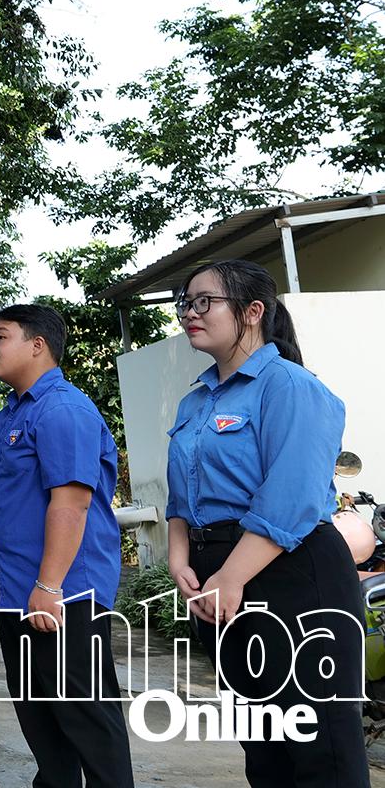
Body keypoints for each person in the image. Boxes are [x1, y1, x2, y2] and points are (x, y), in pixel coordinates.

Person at [165, 260, 368, 786]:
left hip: (291, 571)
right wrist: (179, 556)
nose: (190, 313)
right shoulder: (195, 400)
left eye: (204, 301)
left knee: (318, 738)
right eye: (186, 303)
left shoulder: (291, 387)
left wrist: (230, 576)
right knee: (260, 735)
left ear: (252, 311)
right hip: (215, 577)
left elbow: (292, 496)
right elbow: (181, 493)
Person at [0, 304, 132, 788]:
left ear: (37, 345)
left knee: (86, 716)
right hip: (16, 591)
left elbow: (71, 503)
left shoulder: (63, 410)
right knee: (40, 717)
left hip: (62, 594)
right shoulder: (9, 415)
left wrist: (49, 586)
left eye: (1, 337)